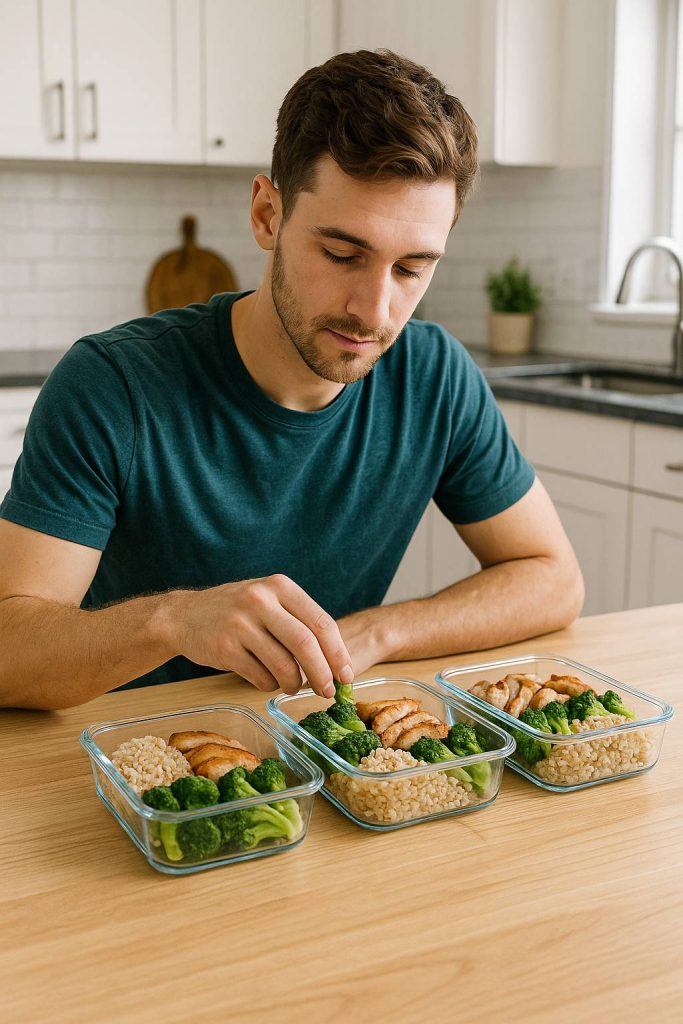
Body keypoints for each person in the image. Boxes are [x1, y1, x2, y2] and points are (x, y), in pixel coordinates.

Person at [0, 50, 583, 711]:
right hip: (123, 752)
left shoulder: (435, 376)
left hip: (302, 742)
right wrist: (174, 620)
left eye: (411, 269)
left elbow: (553, 580)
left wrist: (375, 632)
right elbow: (9, 653)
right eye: (342, 254)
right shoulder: (112, 385)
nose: (374, 311)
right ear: (267, 215)